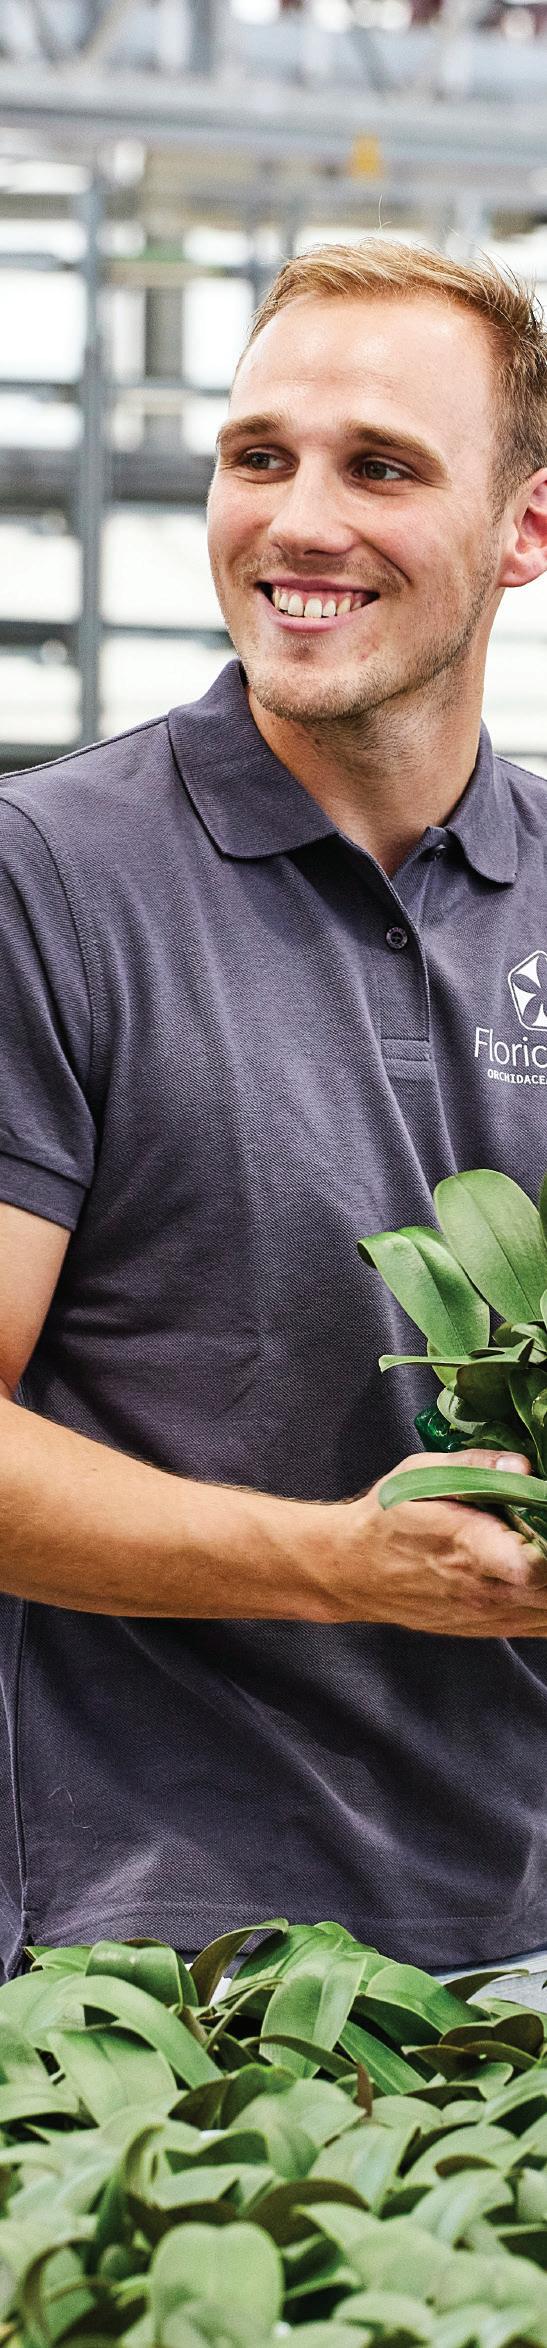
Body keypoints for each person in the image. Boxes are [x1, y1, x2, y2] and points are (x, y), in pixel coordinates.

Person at [1, 239, 547, 1989]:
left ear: (526, 530)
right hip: (167, 1974)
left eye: (380, 467)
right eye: (259, 457)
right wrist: (343, 1564)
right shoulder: (51, 882)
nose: (297, 523)